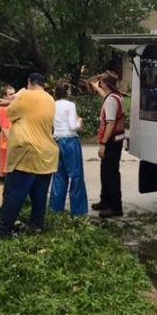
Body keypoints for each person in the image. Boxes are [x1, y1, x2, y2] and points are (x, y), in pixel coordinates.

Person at [0, 73, 59, 237]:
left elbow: (11, 114)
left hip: (26, 154)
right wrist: (12, 99)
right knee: (39, 196)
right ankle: (36, 226)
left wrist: (14, 99)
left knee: (14, 194)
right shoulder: (50, 99)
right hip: (47, 157)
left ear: (29, 83)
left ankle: (3, 230)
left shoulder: (25, 97)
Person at [90, 71, 125, 218]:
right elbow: (106, 98)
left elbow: (110, 123)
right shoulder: (115, 96)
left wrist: (103, 143)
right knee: (106, 171)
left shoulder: (111, 100)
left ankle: (115, 206)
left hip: (111, 140)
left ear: (105, 84)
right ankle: (105, 201)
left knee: (110, 173)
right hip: (117, 139)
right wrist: (97, 88)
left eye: (101, 82)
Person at [49, 79, 88, 216]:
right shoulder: (70, 105)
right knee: (76, 176)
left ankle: (55, 209)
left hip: (56, 140)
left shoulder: (52, 105)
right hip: (70, 141)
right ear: (67, 92)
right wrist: (80, 121)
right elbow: (73, 126)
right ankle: (78, 211)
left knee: (59, 176)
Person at [0, 85, 16, 181]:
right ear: (5, 96)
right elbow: (4, 128)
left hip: (12, 139)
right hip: (6, 142)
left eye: (14, 93)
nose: (13, 95)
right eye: (10, 94)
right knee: (5, 169)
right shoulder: (2, 109)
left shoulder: (12, 106)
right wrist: (12, 142)